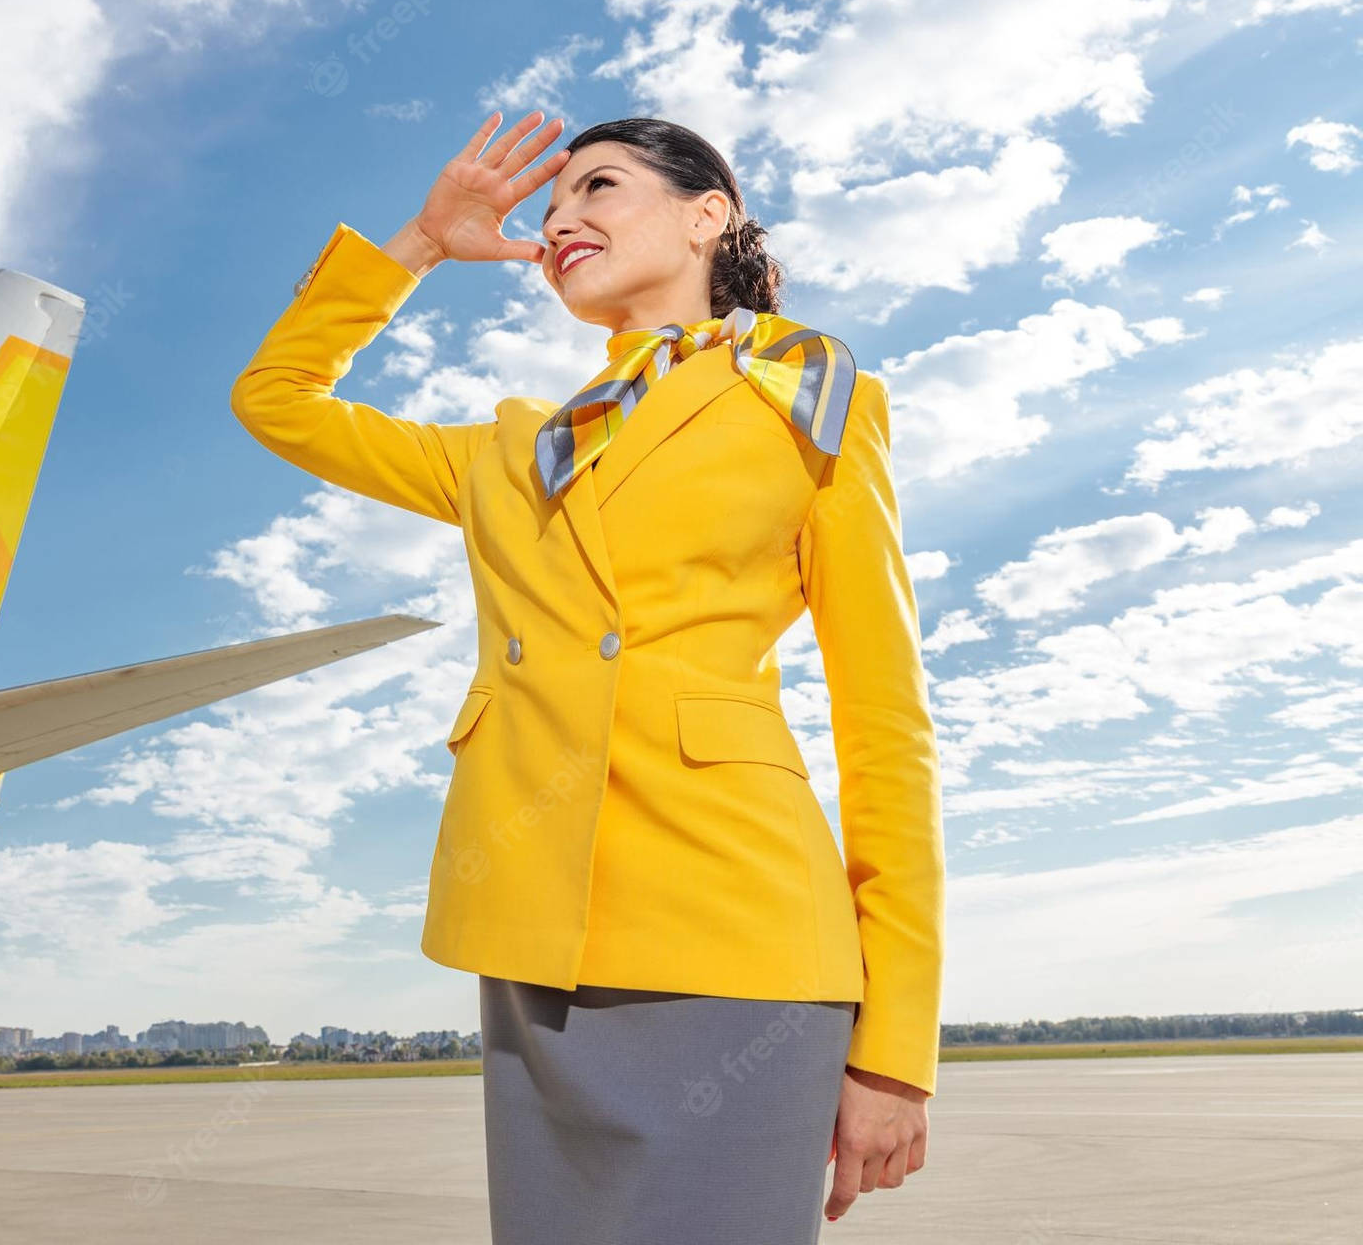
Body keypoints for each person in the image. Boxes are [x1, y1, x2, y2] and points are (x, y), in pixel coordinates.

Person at [231, 109, 943, 1243]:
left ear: (708, 213)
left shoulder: (808, 399)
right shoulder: (514, 448)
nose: (561, 220)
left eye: (599, 188)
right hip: (535, 936)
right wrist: (420, 238)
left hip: (736, 930)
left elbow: (886, 724)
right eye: (548, 208)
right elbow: (278, 399)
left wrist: (897, 1050)